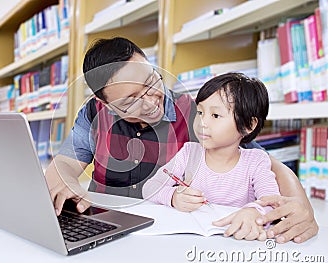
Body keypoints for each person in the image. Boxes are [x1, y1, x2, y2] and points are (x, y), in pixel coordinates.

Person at [45, 37, 318, 243]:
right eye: (130, 101)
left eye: (152, 81)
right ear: (103, 103)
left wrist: (301, 208)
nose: (152, 100)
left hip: (173, 243)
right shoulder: (93, 114)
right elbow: (62, 168)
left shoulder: (197, 114)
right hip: (104, 234)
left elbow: (264, 163)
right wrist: (67, 185)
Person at [142, 72, 280, 240]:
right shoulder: (189, 153)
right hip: (191, 241)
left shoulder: (256, 161)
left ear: (248, 125)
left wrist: (253, 211)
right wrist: (173, 197)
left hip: (236, 243)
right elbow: (149, 187)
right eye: (200, 113)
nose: (202, 123)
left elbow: (273, 203)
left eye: (215, 115)